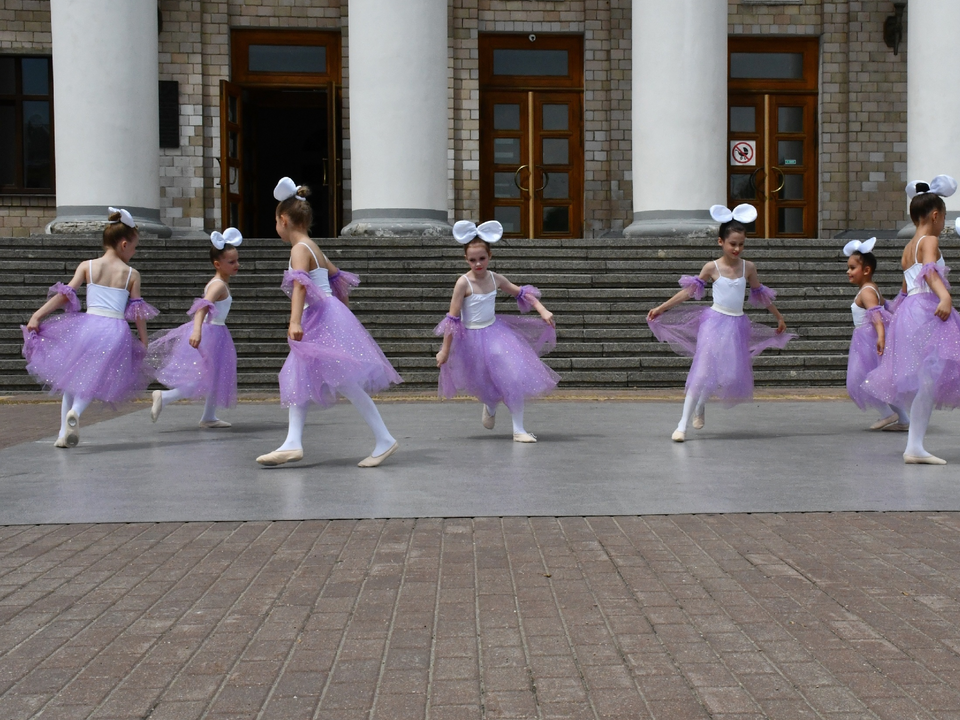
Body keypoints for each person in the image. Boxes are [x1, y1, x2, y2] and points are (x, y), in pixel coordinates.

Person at [256, 177, 402, 467]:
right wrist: (342, 312)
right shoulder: (314, 247)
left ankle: (383, 438)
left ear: (283, 220)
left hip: (317, 317)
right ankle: (292, 442)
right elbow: (337, 278)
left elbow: (300, 284)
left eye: (275, 221)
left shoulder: (299, 249)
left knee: (340, 380)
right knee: (303, 374)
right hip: (327, 315)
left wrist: (295, 321)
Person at [646, 204, 794, 442]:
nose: (737, 248)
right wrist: (662, 307)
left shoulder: (749, 268)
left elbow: (761, 295)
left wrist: (778, 316)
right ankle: (682, 425)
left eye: (741, 244)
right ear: (720, 242)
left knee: (727, 375)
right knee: (702, 371)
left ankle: (701, 405)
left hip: (737, 325)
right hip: (713, 323)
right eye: (732, 243)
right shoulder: (711, 267)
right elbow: (687, 293)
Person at [21, 208, 158, 447]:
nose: (135, 252)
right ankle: (76, 413)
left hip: (87, 326)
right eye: (135, 247)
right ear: (124, 244)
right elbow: (138, 313)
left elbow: (64, 296)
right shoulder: (131, 274)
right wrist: (143, 340)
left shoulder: (88, 266)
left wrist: (38, 315)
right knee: (93, 380)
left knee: (72, 379)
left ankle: (63, 433)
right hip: (114, 330)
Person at [862, 175, 960, 464]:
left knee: (928, 381)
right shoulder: (929, 239)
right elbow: (929, 272)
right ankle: (914, 446)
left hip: (912, 310)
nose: (943, 224)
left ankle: (915, 445)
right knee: (930, 379)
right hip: (927, 308)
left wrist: (896, 314)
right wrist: (945, 297)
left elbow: (906, 287)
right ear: (935, 215)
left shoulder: (909, 247)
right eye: (943, 218)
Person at [435, 220, 559, 442]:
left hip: (495, 333)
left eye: (482, 258)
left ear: (489, 256)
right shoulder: (463, 283)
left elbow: (521, 293)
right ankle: (490, 404)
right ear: (466, 260)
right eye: (473, 260)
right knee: (485, 380)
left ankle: (519, 429)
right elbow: (452, 319)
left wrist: (542, 309)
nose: (478, 264)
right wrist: (445, 351)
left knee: (511, 375)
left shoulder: (496, 278)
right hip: (471, 338)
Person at [148, 228, 241, 428]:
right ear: (218, 264)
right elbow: (202, 307)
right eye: (231, 262)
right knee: (204, 377)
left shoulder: (219, 283)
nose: (237, 265)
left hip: (217, 332)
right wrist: (197, 330)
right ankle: (164, 397)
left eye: (236, 260)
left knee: (214, 376)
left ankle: (209, 416)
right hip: (212, 332)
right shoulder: (218, 286)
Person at [842, 238, 908, 431]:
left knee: (861, 381)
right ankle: (903, 419)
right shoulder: (870, 288)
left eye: (852, 268)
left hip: (868, 341)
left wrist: (880, 336)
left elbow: (876, 314)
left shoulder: (867, 291)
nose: (848, 271)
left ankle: (889, 414)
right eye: (848, 267)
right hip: (867, 339)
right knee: (879, 381)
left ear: (866, 270)